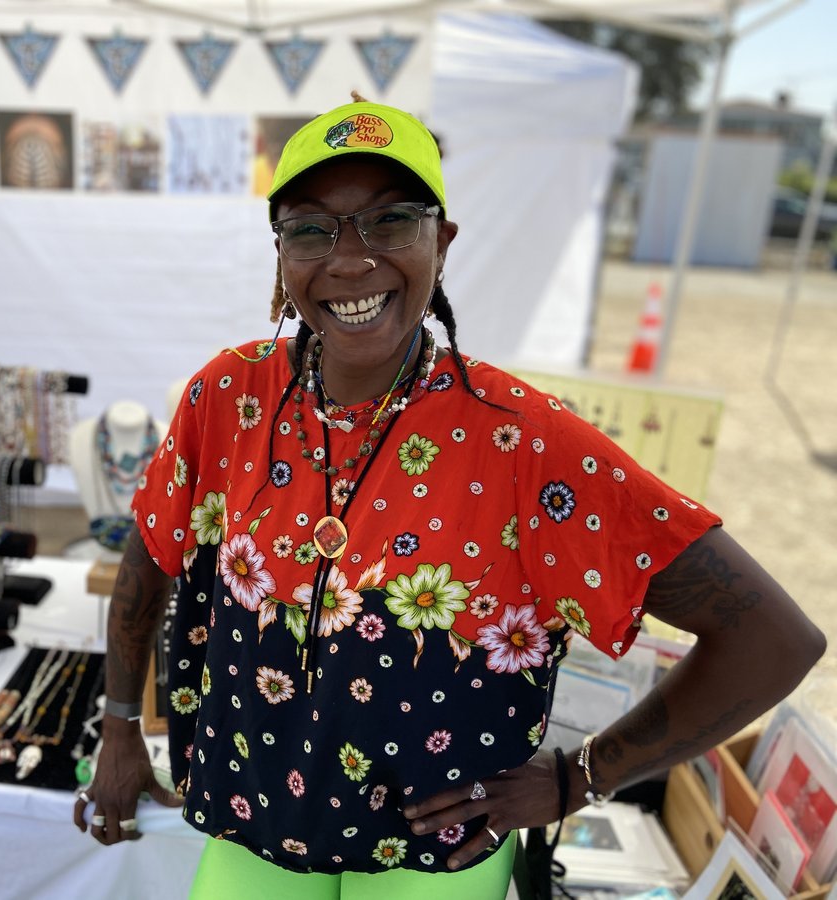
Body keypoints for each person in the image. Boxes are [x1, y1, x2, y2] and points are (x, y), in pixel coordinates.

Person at [73, 95, 827, 898]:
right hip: (255, 818)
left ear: (443, 241)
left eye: (391, 221)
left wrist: (579, 777)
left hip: (434, 854)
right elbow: (149, 551)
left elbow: (772, 639)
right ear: (281, 255)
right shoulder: (229, 396)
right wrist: (120, 726)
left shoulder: (524, 441)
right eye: (310, 229)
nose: (350, 259)